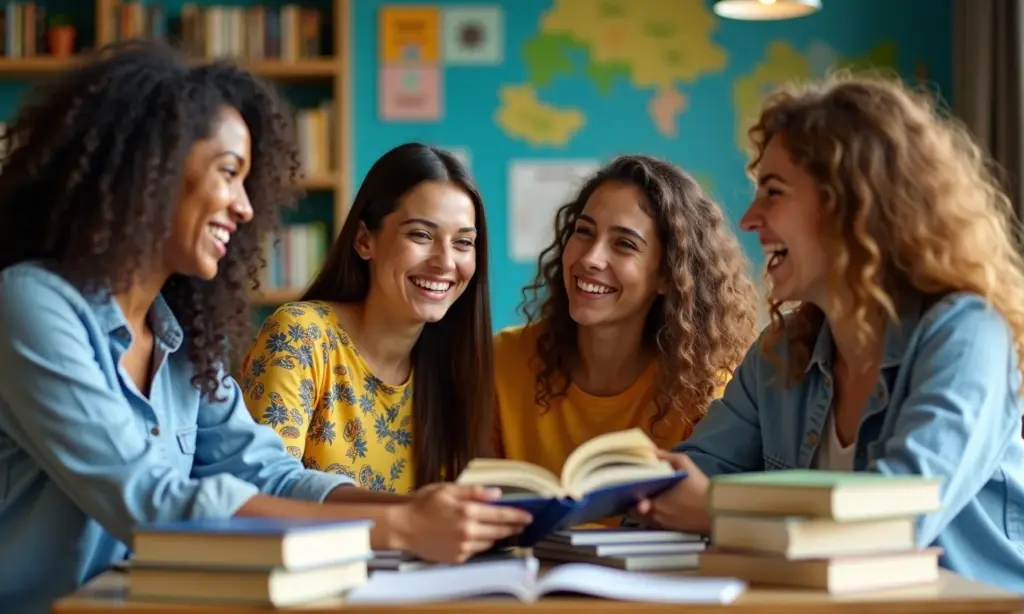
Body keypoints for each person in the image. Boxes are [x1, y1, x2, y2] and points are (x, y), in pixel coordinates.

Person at [0, 42, 529, 612]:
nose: (246, 208)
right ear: (148, 170)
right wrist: (392, 531)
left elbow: (270, 473)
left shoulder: (180, 340)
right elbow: (151, 501)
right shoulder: (31, 304)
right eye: (229, 173)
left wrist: (407, 508)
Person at [635, 74, 1024, 590]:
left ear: (855, 204)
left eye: (773, 192)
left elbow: (898, 521)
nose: (749, 220)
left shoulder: (968, 337)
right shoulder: (780, 351)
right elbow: (704, 469)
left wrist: (718, 515)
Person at [492, 155, 760, 486]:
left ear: (667, 275)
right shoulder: (502, 359)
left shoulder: (704, 387)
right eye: (584, 232)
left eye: (624, 244)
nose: (590, 258)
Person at [241, 142, 493, 493]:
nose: (445, 262)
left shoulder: (456, 364)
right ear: (364, 240)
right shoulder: (301, 336)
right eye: (421, 235)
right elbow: (264, 494)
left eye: (463, 243)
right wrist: (410, 519)